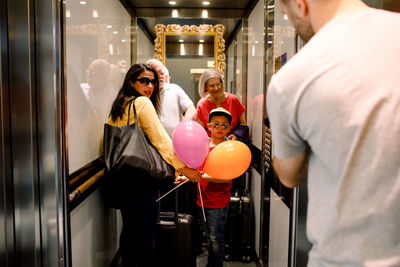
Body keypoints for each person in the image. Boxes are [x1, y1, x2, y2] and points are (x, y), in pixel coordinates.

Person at [267, 0, 400, 266]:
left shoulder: (292, 78)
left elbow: (290, 176)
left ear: (300, 4)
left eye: (288, 15)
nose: (292, 25)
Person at [107, 63, 202, 267]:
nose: (149, 85)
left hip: (121, 180)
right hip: (142, 180)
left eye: (153, 81)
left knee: (129, 231)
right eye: (144, 81)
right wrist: (184, 168)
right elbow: (161, 140)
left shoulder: (120, 104)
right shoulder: (142, 103)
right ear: (131, 82)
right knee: (145, 234)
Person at [197, 107, 233, 267]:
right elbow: (198, 168)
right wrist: (186, 176)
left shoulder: (229, 149)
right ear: (208, 125)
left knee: (215, 239)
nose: (220, 128)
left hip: (217, 202)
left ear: (229, 128)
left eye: (224, 125)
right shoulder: (203, 145)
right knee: (209, 237)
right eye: (216, 124)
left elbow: (226, 177)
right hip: (202, 199)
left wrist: (199, 176)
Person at [146, 59, 196, 137]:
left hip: (175, 142)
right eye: (156, 73)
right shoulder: (145, 93)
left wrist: (183, 127)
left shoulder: (174, 89)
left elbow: (191, 109)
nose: (160, 76)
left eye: (161, 73)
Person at [196, 68, 248, 142]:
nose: (216, 88)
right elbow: (200, 131)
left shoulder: (233, 100)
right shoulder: (201, 104)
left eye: (218, 84)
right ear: (205, 87)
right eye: (212, 86)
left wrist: (236, 135)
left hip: (232, 144)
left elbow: (243, 124)